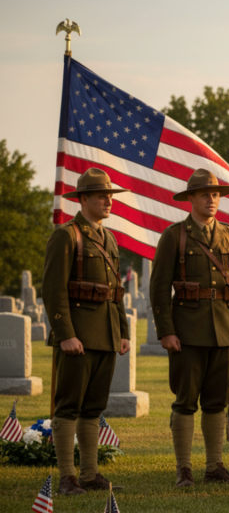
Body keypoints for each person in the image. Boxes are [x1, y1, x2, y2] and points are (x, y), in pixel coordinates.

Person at [151, 168, 229, 487]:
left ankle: (214, 466)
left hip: (224, 331)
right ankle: (184, 469)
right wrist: (166, 331)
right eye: (205, 194)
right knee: (185, 401)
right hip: (187, 332)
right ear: (191, 199)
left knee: (215, 402)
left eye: (215, 195)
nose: (212, 199)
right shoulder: (174, 236)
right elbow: (158, 288)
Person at [42, 168, 131, 495]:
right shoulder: (67, 235)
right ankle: (67, 477)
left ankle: (91, 474)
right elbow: (53, 290)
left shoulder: (108, 237)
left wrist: (122, 331)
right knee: (68, 405)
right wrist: (65, 333)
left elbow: (115, 290)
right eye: (101, 196)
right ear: (83, 199)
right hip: (77, 336)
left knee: (94, 406)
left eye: (110, 196)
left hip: (105, 335)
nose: (108, 200)